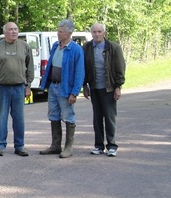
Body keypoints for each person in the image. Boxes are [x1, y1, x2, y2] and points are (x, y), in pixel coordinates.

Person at [40, 19, 85, 158]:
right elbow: (51, 66)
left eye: (61, 31)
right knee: (53, 115)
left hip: (66, 88)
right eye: (58, 30)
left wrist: (74, 92)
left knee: (68, 116)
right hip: (53, 86)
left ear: (69, 32)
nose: (58, 33)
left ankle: (68, 147)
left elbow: (80, 73)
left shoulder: (76, 49)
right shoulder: (55, 45)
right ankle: (55, 145)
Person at [0, 22, 34, 157]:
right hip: (2, 88)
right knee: (2, 118)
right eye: (10, 29)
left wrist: (28, 85)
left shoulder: (24, 46)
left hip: (19, 87)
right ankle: (0, 145)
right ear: (5, 32)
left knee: (19, 118)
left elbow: (30, 67)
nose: (14, 32)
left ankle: (20, 146)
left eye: (15, 29)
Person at [83, 23, 126, 157]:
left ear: (104, 33)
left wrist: (118, 87)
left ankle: (112, 146)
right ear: (91, 33)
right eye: (94, 32)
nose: (97, 34)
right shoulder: (87, 47)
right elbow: (84, 68)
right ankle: (98, 145)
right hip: (94, 88)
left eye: (99, 32)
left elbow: (120, 68)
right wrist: (85, 86)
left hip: (109, 88)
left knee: (109, 117)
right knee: (97, 118)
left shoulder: (113, 47)